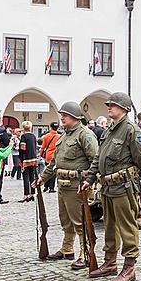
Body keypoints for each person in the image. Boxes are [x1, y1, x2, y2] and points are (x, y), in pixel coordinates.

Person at [81, 92, 141, 281]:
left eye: (113, 105)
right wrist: (90, 177)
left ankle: (129, 266)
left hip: (123, 186)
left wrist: (128, 172)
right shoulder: (109, 130)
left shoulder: (131, 130)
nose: (109, 107)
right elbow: (98, 157)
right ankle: (110, 262)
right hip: (107, 187)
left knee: (127, 226)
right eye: (109, 104)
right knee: (109, 225)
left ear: (124, 108)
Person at [35, 102, 99, 267]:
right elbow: (54, 162)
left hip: (77, 185)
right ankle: (67, 249)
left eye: (65, 115)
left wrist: (89, 181)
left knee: (79, 221)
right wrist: (43, 177)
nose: (62, 118)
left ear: (75, 117)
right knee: (66, 220)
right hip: (62, 183)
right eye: (62, 114)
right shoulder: (64, 136)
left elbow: (95, 161)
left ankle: (85, 253)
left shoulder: (85, 135)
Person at [18, 121, 38, 202]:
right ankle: (32, 194)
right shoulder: (33, 136)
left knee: (25, 177)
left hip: (26, 159)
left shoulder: (24, 136)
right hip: (33, 159)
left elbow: (23, 148)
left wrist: (21, 159)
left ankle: (26, 195)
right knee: (32, 177)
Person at [38, 123, 60, 193]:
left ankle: (45, 186)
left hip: (48, 155)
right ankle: (51, 188)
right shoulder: (59, 136)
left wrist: (41, 154)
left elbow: (43, 147)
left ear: (50, 128)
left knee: (47, 170)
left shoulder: (46, 136)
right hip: (56, 156)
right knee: (53, 172)